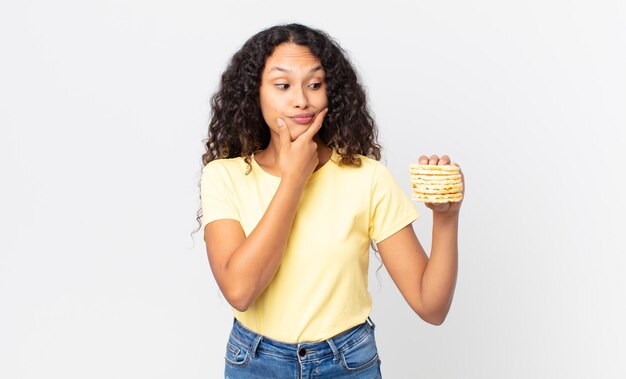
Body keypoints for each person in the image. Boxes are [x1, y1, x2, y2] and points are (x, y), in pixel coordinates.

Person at [197, 23, 464, 378]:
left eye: (315, 84)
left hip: (347, 363)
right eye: (282, 85)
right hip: (256, 364)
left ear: (331, 92)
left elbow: (431, 307)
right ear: (254, 94)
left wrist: (446, 218)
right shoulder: (223, 176)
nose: (301, 100)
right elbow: (240, 291)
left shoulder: (367, 177)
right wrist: (294, 178)